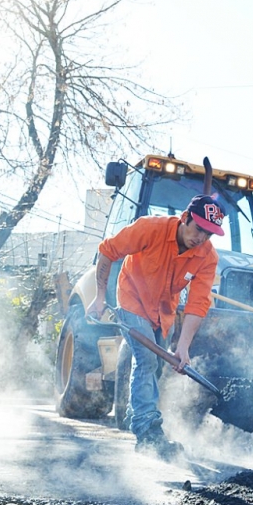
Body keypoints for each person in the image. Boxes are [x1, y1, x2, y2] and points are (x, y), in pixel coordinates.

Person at [86, 194, 226, 460]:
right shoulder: (150, 228)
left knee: (158, 366)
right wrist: (100, 296)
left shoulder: (207, 257)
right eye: (198, 229)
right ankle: (147, 432)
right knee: (147, 360)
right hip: (132, 298)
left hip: (163, 312)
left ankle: (135, 415)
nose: (201, 239)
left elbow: (197, 304)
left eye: (208, 235)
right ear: (185, 218)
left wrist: (183, 347)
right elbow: (107, 251)